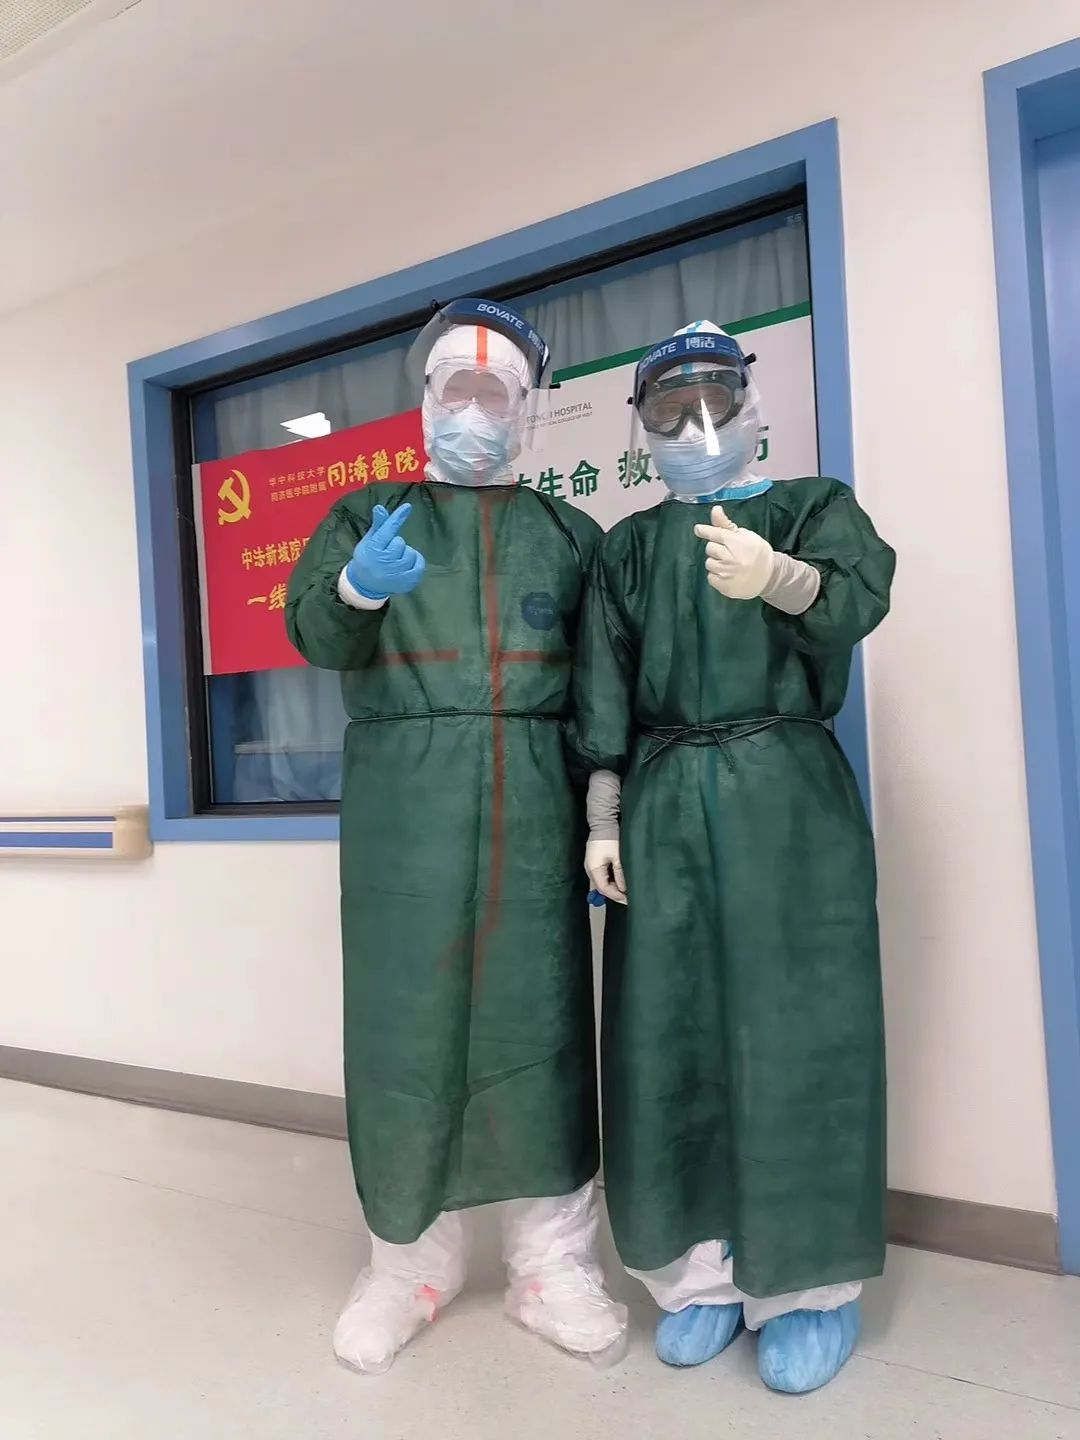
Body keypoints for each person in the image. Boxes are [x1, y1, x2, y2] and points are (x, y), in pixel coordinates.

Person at [286, 298, 627, 1375]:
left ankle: (551, 1265)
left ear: (528, 409)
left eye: (496, 392)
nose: (474, 410)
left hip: (533, 806)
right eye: (456, 389)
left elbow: (603, 686)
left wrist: (599, 811)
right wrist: (354, 589)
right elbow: (313, 630)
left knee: (542, 1026)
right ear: (426, 400)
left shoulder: (570, 537)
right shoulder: (367, 515)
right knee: (408, 1030)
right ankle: (407, 1265)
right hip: (406, 811)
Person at [570, 320, 895, 1394]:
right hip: (664, 800)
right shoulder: (626, 550)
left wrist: (784, 579)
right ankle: (698, 1278)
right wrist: (604, 816)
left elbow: (858, 597)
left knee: (798, 1032)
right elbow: (602, 686)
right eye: (670, 410)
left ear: (753, 404)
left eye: (714, 401)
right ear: (641, 429)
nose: (695, 425)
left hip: (787, 802)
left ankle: (806, 1290)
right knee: (669, 1035)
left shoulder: (812, 509)